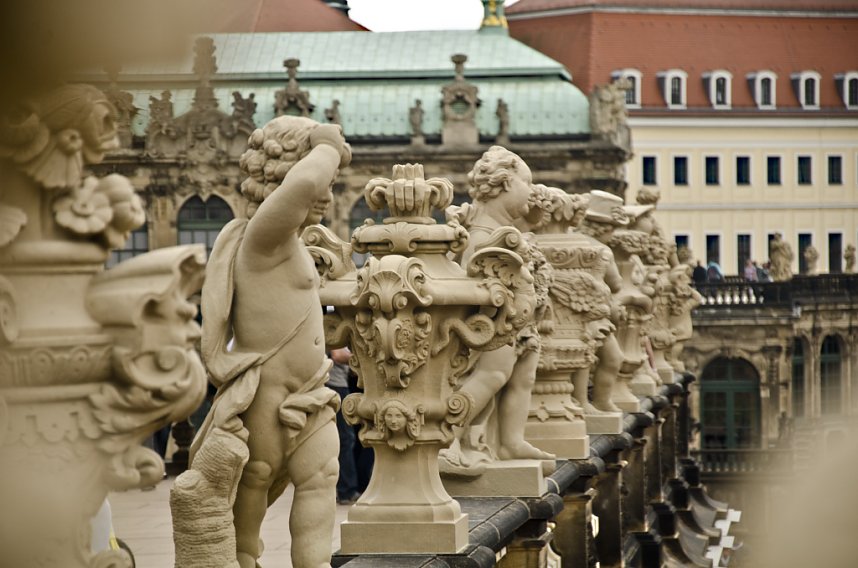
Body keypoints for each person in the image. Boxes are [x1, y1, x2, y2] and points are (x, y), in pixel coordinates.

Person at [192, 117, 351, 568]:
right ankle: (243, 559)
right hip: (265, 394)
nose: (327, 194)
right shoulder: (263, 237)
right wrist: (326, 145)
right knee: (255, 481)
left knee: (322, 477)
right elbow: (303, 187)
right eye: (323, 180)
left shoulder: (293, 243)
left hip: (311, 392)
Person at [327, 346, 361, 504]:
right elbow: (338, 355)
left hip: (338, 383)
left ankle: (347, 488)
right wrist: (361, 357)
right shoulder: (332, 327)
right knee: (346, 438)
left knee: (345, 437)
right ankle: (346, 490)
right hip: (336, 385)